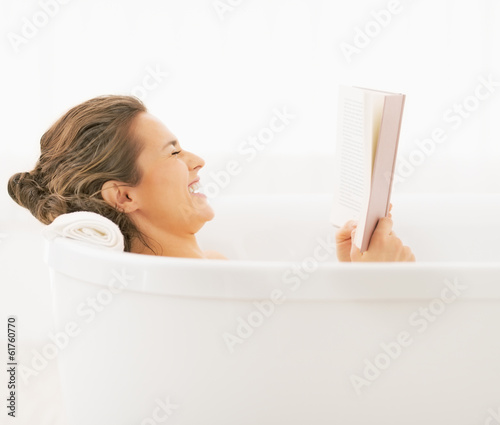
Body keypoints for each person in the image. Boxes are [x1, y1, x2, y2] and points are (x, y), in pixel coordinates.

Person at [7, 95, 415, 262]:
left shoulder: (210, 269)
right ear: (124, 197)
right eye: (173, 152)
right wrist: (385, 284)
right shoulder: (201, 285)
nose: (197, 161)